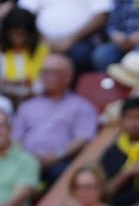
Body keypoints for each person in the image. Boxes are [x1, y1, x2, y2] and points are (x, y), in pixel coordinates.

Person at [11, 54, 99, 183]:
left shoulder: (81, 107)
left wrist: (56, 155)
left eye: (51, 72)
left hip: (59, 162)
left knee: (66, 173)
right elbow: (15, 137)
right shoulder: (27, 105)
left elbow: (83, 139)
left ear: (67, 77)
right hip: (24, 161)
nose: (45, 77)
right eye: (43, 72)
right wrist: (26, 158)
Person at [0, 7, 50, 101]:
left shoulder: (43, 52)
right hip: (6, 100)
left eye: (22, 34)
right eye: (13, 34)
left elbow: (46, 83)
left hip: (37, 100)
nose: (18, 38)